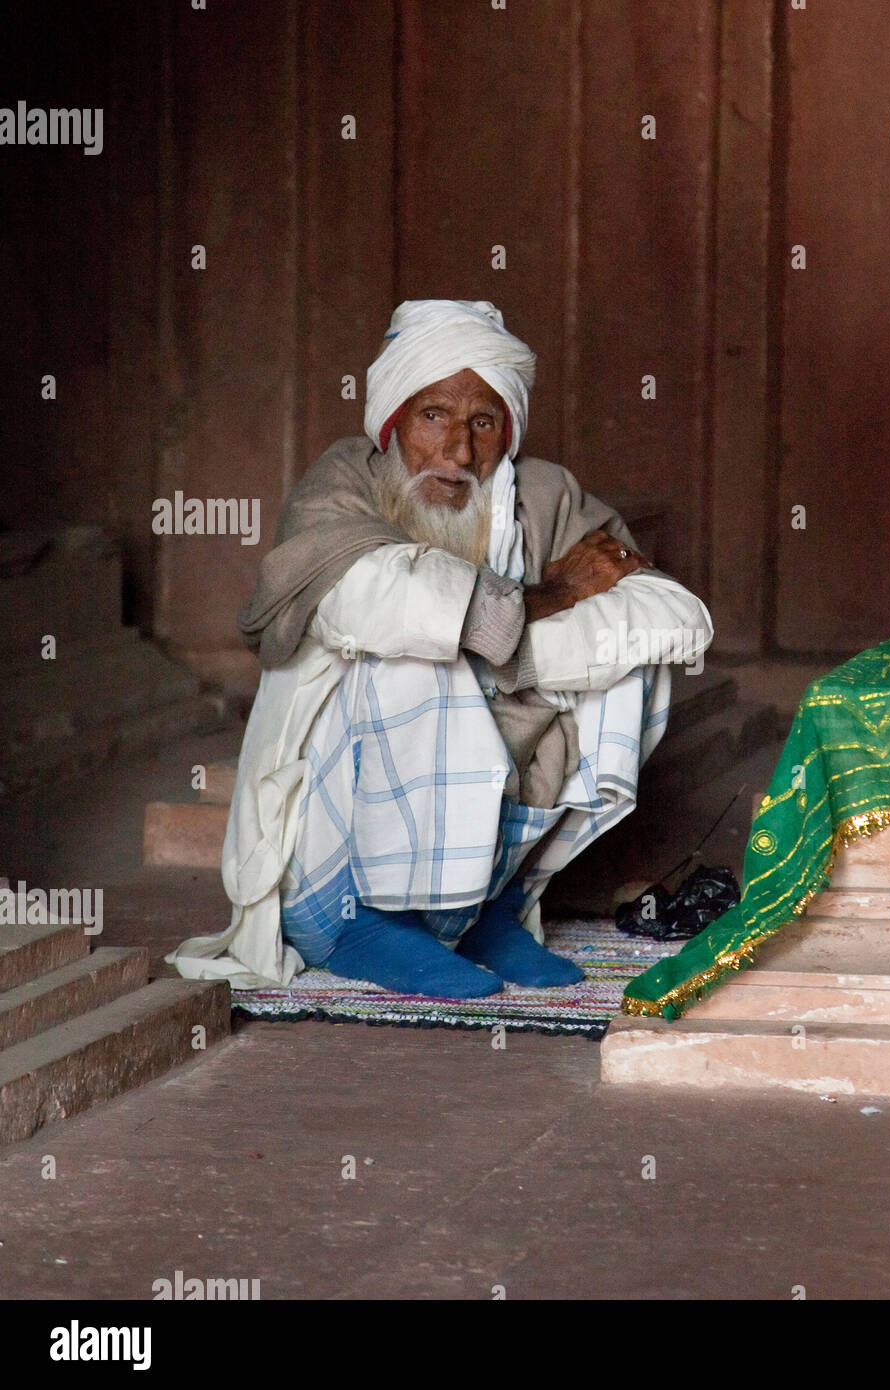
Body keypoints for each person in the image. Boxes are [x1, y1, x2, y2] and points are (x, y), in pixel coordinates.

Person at [168, 299, 712, 996]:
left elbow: (673, 613)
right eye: (434, 417)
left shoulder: (539, 496)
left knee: (631, 666)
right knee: (413, 648)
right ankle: (366, 925)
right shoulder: (343, 483)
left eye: (483, 422)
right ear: (393, 420)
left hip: (496, 797)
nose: (459, 452)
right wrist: (546, 603)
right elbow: (386, 601)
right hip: (335, 866)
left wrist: (511, 657)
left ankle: (480, 908)